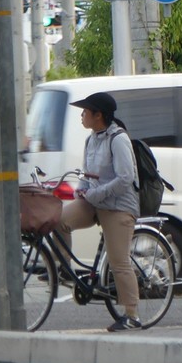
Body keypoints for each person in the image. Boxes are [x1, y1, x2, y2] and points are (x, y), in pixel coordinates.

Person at [58, 91, 142, 332]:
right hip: (95, 201)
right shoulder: (91, 139)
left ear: (99, 115)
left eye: (85, 111)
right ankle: (64, 270)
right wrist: (81, 190)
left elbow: (126, 178)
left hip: (118, 206)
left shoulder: (118, 139)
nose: (82, 115)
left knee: (119, 262)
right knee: (59, 220)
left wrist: (96, 194)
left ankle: (132, 314)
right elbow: (87, 174)